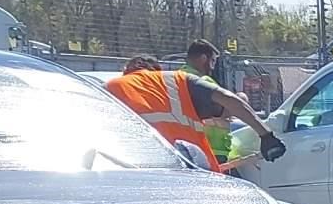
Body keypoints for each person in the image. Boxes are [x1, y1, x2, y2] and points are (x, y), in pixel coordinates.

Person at [105, 42, 284, 169]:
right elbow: (230, 101)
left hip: (136, 169)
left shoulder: (108, 88)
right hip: (192, 166)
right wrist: (266, 135)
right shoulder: (176, 81)